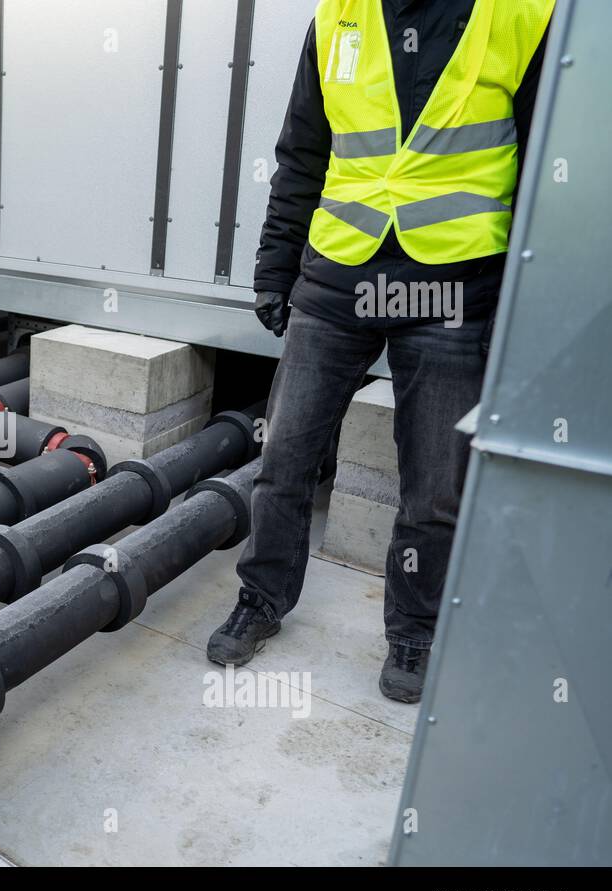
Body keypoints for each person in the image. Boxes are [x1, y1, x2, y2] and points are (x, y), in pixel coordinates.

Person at [206, 0, 553, 702]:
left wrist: (528, 293)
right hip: (338, 275)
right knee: (285, 458)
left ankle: (414, 632)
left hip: (453, 288)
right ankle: (263, 597)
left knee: (435, 484)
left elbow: (549, 164)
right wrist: (276, 269)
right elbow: (302, 154)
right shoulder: (338, 18)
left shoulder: (524, 17)